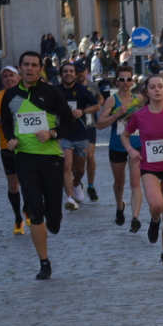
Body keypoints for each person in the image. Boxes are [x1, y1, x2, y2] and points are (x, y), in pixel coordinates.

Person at [0, 51, 76, 280]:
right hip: (25, 158)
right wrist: (11, 138)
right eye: (26, 65)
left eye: (34, 65)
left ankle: (55, 218)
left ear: (40, 69)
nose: (30, 69)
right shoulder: (10, 95)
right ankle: (44, 262)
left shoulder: (51, 93)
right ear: (20, 67)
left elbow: (70, 123)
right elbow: (6, 123)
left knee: (52, 216)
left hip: (51, 158)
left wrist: (53, 132)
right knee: (35, 210)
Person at [123, 75, 163, 269]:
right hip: (149, 167)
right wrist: (131, 150)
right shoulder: (140, 115)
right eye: (153, 87)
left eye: (160, 86)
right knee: (157, 205)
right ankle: (153, 220)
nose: (157, 90)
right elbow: (125, 136)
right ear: (147, 91)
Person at [97, 65, 145, 232]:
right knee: (119, 183)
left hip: (136, 144)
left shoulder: (139, 99)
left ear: (133, 81)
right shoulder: (112, 100)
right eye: (122, 79)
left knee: (134, 182)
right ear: (116, 81)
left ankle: (135, 218)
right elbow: (100, 124)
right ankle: (119, 206)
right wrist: (117, 115)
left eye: (129, 79)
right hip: (117, 146)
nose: (126, 82)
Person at [0, 66, 29, 235]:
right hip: (7, 145)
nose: (8, 79)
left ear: (18, 77)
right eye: (5, 77)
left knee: (28, 181)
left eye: (11, 76)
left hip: (28, 144)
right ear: (1, 80)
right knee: (13, 184)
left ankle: (27, 208)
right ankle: (18, 218)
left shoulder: (27, 94)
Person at [57, 61, 101, 211]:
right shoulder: (56, 91)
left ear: (75, 74)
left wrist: (83, 112)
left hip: (81, 134)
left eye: (71, 71)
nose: (68, 74)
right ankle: (70, 198)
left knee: (80, 168)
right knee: (67, 166)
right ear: (61, 74)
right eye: (65, 71)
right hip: (64, 134)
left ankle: (76, 184)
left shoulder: (82, 90)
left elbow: (97, 105)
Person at [78, 63, 102, 200]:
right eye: (78, 71)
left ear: (86, 71)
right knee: (77, 159)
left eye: (83, 71)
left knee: (90, 156)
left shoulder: (92, 86)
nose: (80, 74)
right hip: (75, 126)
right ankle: (78, 182)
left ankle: (91, 186)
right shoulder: (71, 86)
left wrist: (97, 104)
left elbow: (99, 98)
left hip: (90, 125)